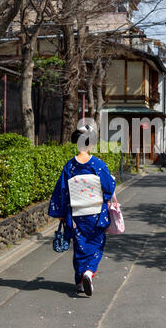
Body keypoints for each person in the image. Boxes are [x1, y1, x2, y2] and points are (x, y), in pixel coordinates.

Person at [48, 124, 116, 296]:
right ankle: (88, 272)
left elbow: (62, 191)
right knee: (95, 244)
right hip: (95, 213)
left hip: (77, 213)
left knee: (80, 246)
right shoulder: (98, 164)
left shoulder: (70, 166)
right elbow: (109, 187)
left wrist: (62, 214)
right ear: (90, 144)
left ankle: (79, 281)